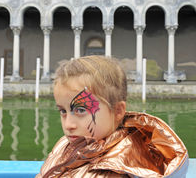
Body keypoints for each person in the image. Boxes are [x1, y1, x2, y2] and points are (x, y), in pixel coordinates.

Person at [36, 55, 188, 178]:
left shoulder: (117, 170)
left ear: (117, 111)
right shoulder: (67, 144)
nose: (68, 124)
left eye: (81, 110)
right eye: (63, 111)